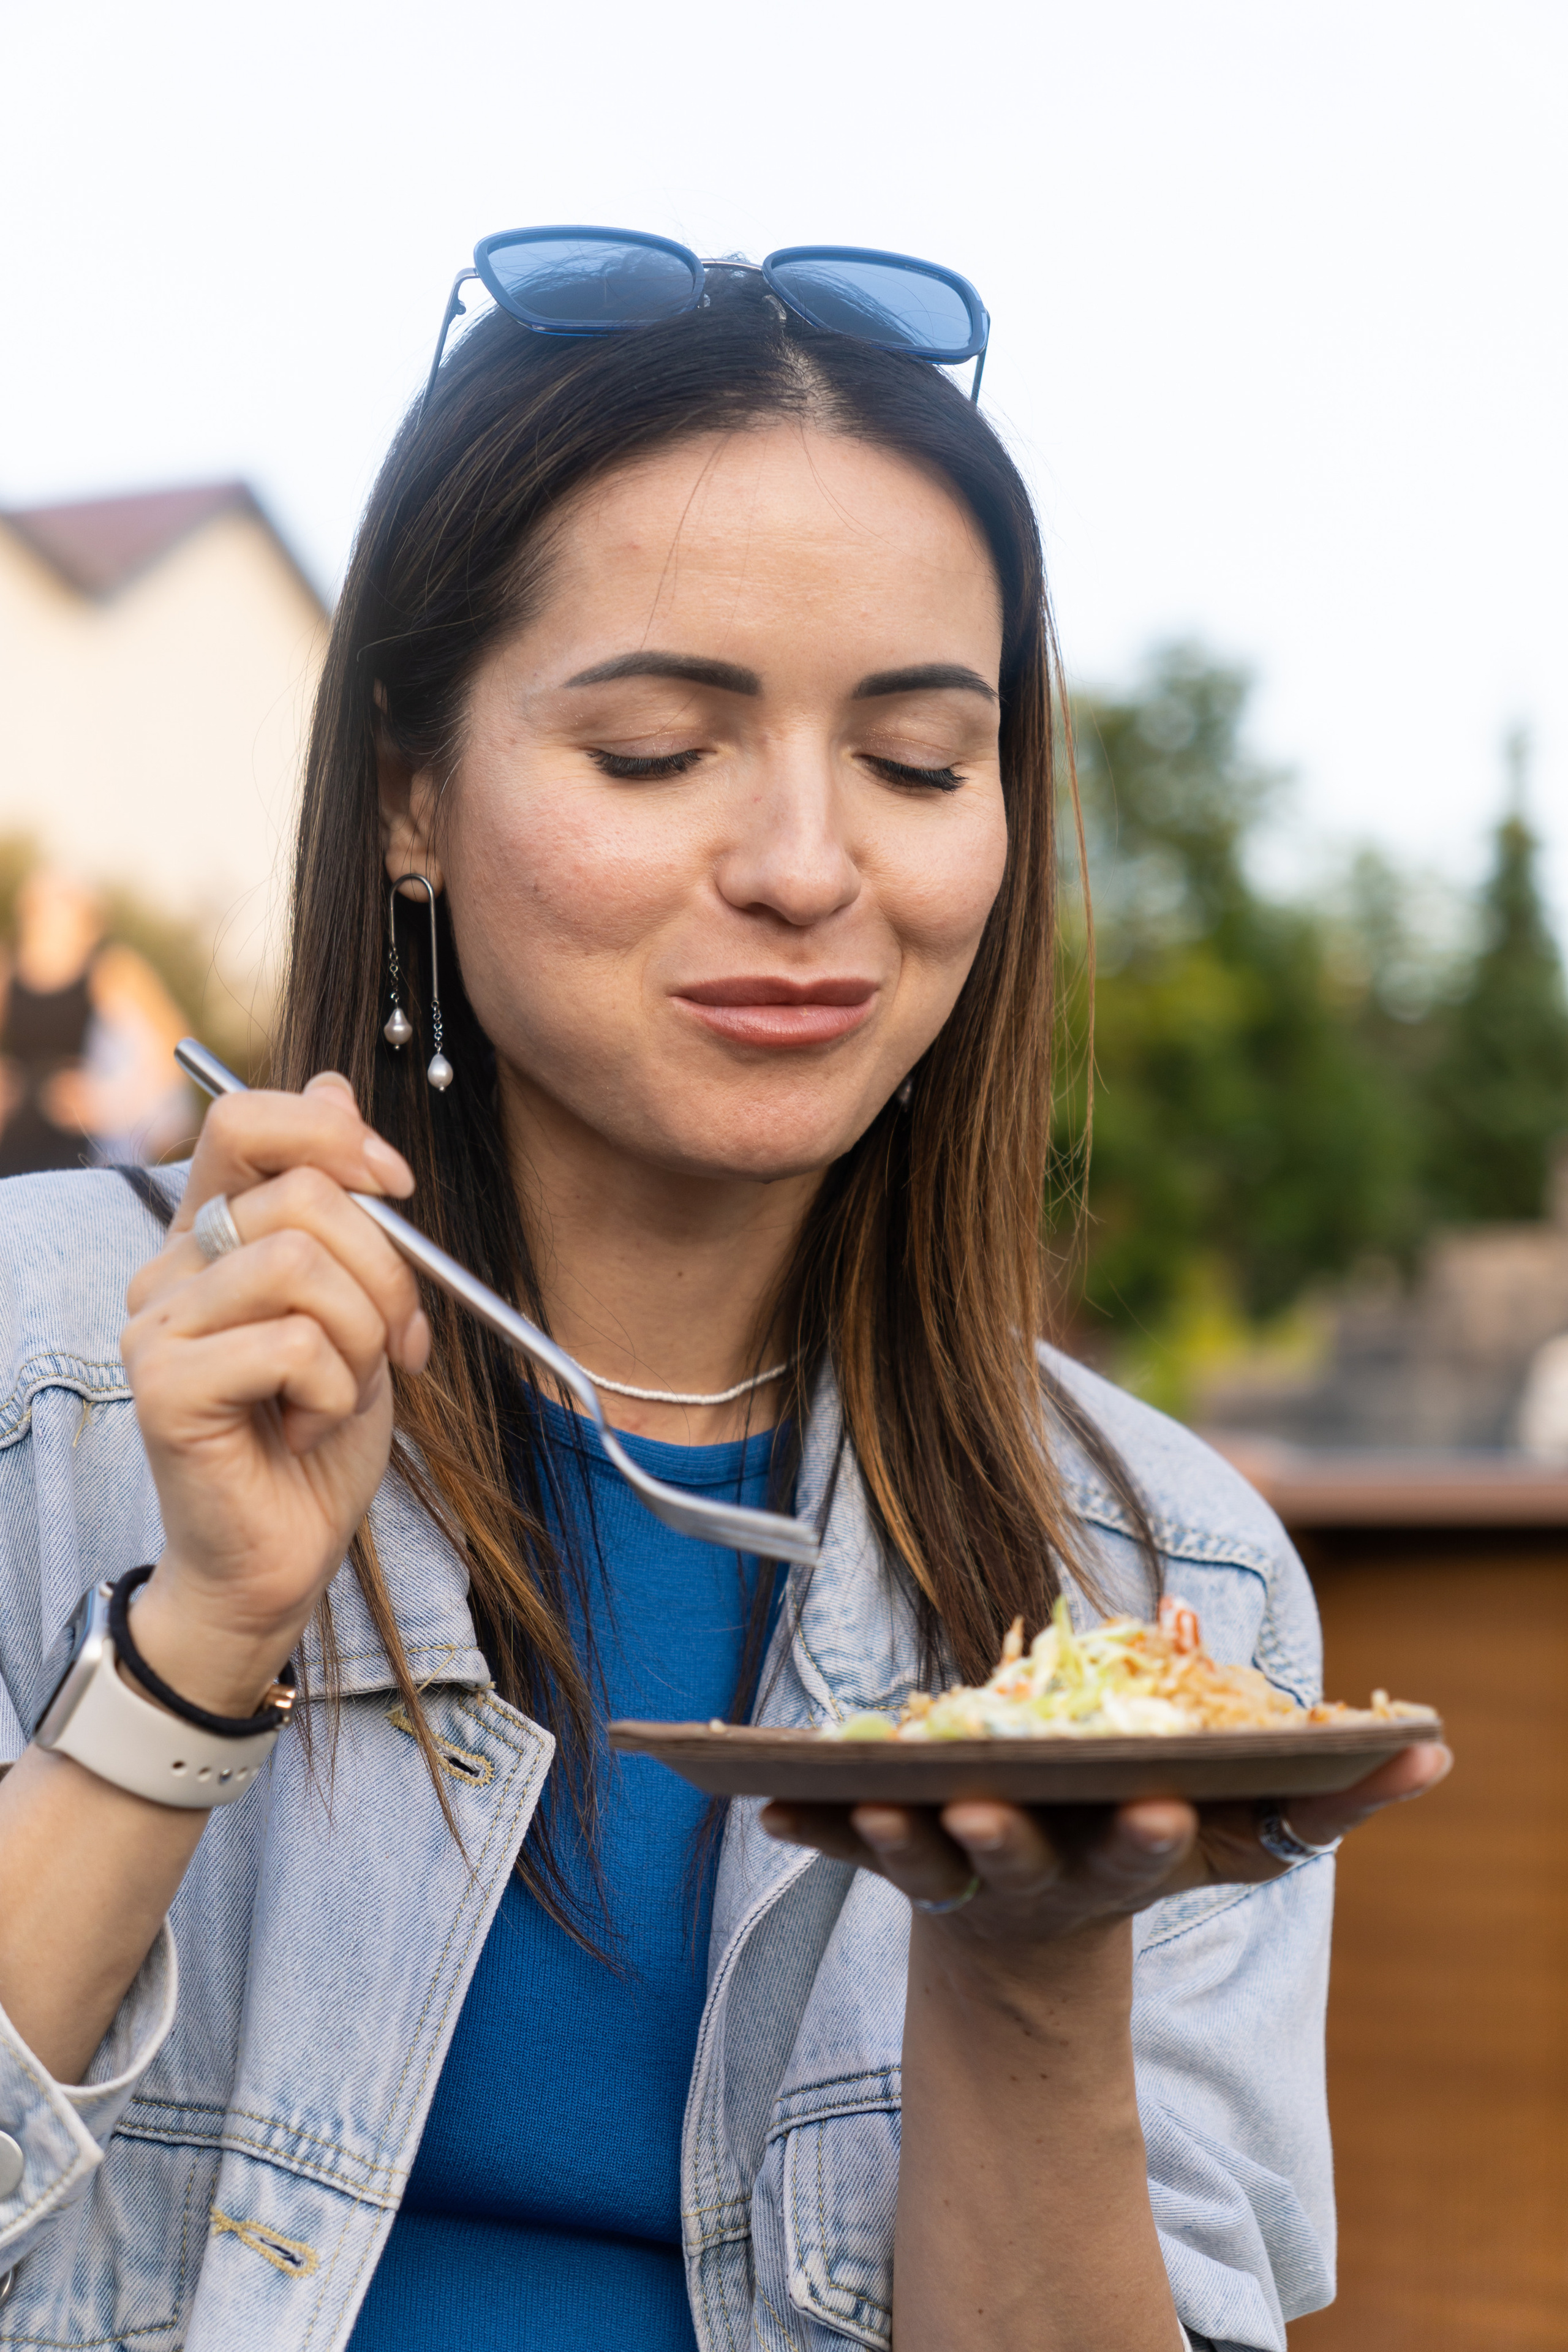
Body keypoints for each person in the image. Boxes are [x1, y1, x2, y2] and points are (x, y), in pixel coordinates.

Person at [0, 238, 1449, 2352]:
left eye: (923, 763)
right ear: (412, 790)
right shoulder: (56, 1381)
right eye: (660, 748)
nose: (803, 863)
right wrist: (198, 1647)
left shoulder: (1159, 1578)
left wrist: (1034, 1960)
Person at [0, 867, 189, 1174]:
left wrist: (106, 1101)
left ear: (90, 924)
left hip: (84, 1150)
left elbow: (178, 1056)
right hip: (14, 1146)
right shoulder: (8, 970)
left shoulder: (112, 972)